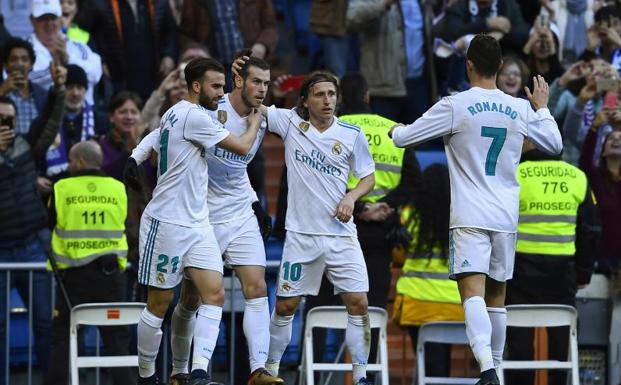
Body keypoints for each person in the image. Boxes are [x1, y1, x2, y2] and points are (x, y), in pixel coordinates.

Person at [390, 34, 563, 385]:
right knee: (497, 298)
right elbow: (556, 145)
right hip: (505, 216)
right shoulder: (519, 108)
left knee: (473, 294)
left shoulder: (455, 104)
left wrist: (395, 131)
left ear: (468, 64)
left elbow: (405, 139)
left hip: (469, 216)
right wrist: (541, 107)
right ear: (500, 66)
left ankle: (486, 367)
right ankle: (495, 369)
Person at [131, 55, 282, 385]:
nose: (221, 93)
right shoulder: (193, 117)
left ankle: (198, 373)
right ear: (196, 87)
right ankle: (147, 375)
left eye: (223, 86)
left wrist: (136, 155)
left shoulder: (181, 113)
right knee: (160, 304)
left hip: (199, 222)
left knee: (215, 294)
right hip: (168, 221)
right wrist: (258, 118)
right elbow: (242, 146)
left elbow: (156, 135)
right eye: (216, 87)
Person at [254, 70, 376, 385]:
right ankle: (271, 370)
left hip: (341, 236)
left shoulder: (351, 133)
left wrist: (352, 196)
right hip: (301, 237)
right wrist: (243, 78)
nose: (327, 100)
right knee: (285, 305)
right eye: (320, 95)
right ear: (306, 100)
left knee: (359, 303)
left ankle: (360, 376)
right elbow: (255, 104)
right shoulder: (291, 124)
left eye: (331, 94)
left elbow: (368, 177)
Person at [339, 72, 422, 375]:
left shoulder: (334, 129)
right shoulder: (393, 130)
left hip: (339, 223)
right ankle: (368, 374)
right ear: (367, 95)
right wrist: (385, 206)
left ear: (338, 99)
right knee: (372, 308)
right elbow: (415, 181)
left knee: (324, 307)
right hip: (381, 230)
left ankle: (313, 374)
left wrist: (359, 206)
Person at [505, 139, 599, 385]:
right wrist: (583, 273)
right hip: (562, 276)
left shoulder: (514, 173)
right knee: (560, 347)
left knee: (519, 348)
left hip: (519, 275)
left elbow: (498, 226)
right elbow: (590, 231)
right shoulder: (577, 177)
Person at [44, 140, 134, 385]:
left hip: (73, 279)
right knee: (117, 339)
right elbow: (125, 224)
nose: (70, 165)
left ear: (80, 162)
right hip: (112, 278)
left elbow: (51, 222)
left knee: (64, 339)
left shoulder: (61, 188)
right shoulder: (118, 188)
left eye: (72, 161)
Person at [0, 61, 66, 385]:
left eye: (9, 120)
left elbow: (49, 122)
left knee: (45, 322)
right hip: (0, 252)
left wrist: (58, 89)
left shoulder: (26, 147)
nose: (5, 126)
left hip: (30, 246)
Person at [393, 164, 463, 378]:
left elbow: (398, 258)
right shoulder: (462, 219)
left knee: (428, 366)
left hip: (418, 305)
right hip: (457, 307)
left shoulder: (408, 217)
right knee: (442, 361)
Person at [76, 0, 178, 100]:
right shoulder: (98, 3)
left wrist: (169, 55)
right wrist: (99, 60)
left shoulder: (159, 2)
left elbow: (170, 30)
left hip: (152, 76)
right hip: (115, 77)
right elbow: (85, 34)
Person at [28, 0, 102, 105]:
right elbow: (24, 83)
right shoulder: (23, 51)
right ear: (32, 20)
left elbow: (95, 75)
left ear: (60, 19)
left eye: (53, 18)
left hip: (81, 118)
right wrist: (55, 69)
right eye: (43, 18)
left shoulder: (80, 48)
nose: (49, 23)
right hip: (41, 117)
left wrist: (67, 59)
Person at [44, 64, 106, 180]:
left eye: (79, 88)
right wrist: (38, 178)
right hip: (54, 183)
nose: (75, 93)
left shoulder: (100, 120)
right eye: (70, 87)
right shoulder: (47, 118)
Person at [0, 37, 51, 135]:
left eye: (24, 59)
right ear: (5, 65)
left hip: (37, 148)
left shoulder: (43, 95)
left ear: (31, 64)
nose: (19, 63)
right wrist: (2, 91)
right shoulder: (2, 90)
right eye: (14, 59)